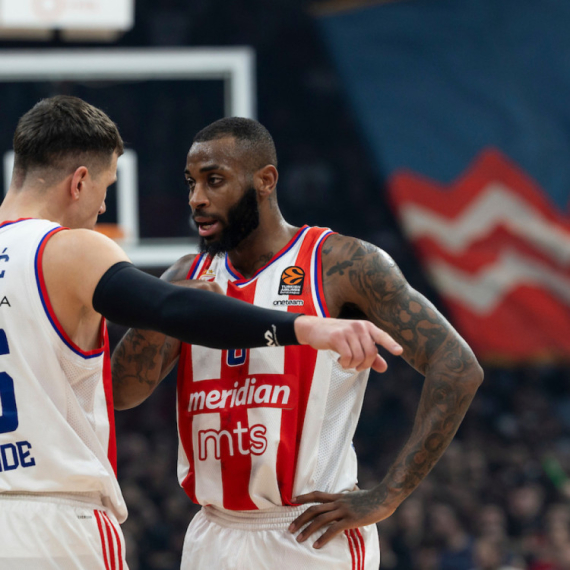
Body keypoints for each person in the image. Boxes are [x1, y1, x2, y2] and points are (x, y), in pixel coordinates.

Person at [0, 97, 401, 570]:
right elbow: (168, 307)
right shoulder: (68, 249)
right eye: (106, 189)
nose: (104, 206)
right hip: (55, 519)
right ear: (80, 181)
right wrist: (305, 326)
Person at [111, 117, 484, 569]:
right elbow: (123, 393)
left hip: (308, 533)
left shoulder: (341, 264)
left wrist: (387, 496)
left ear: (265, 180)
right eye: (191, 183)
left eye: (214, 180)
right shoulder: (185, 276)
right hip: (213, 534)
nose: (197, 199)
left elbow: (457, 366)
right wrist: (165, 307)